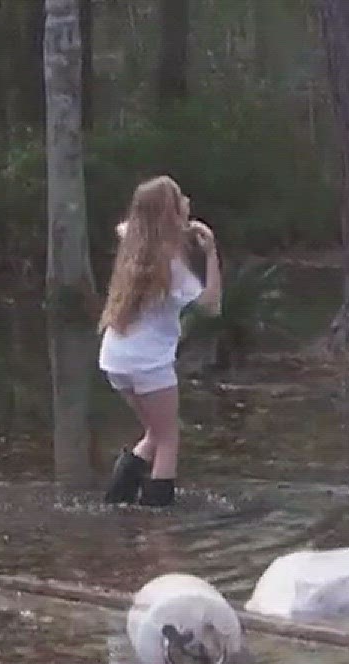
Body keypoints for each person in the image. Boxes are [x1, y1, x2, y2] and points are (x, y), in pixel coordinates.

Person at [98, 175, 222, 507]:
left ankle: (116, 501)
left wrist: (174, 228)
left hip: (114, 358)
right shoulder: (171, 266)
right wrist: (210, 254)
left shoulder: (132, 246)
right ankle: (157, 520)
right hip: (148, 363)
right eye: (180, 198)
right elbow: (211, 307)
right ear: (170, 212)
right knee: (168, 440)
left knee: (154, 433)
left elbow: (127, 226)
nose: (187, 202)